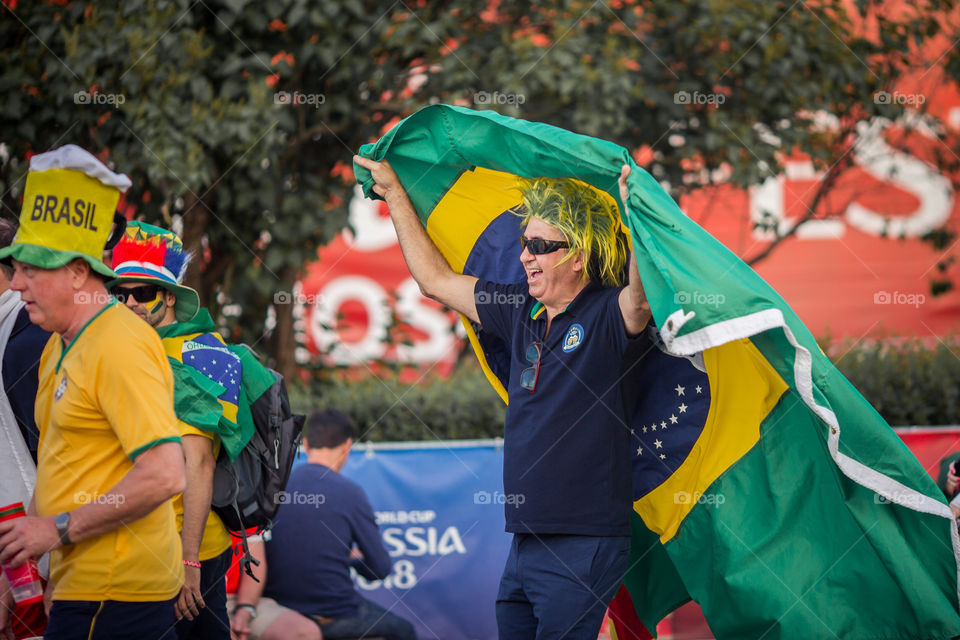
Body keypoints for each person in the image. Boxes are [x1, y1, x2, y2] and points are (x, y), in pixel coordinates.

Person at [354, 154, 651, 639]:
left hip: (585, 541)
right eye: (523, 243)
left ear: (577, 256)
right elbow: (435, 281)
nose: (525, 255)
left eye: (540, 245)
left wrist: (637, 212)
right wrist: (394, 194)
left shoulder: (607, 314)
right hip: (526, 541)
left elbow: (640, 299)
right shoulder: (518, 309)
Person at [0, 145, 186, 639]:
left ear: (79, 272)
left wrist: (56, 530)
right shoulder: (57, 346)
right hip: (86, 587)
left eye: (31, 269)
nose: (16, 283)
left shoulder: (120, 342)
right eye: (16, 267)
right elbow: (61, 462)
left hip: (118, 593)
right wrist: (23, 552)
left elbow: (166, 473)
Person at [107, 221, 238, 640]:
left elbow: (198, 463)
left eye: (142, 293)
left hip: (191, 547)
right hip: (137, 545)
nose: (130, 303)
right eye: (120, 293)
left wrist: (189, 562)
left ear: (168, 296)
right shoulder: (126, 348)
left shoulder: (203, 352)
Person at [264, 409, 416, 640]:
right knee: (404, 631)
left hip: (278, 613)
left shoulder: (275, 489)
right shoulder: (350, 492)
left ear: (305, 443)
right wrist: (353, 558)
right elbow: (380, 569)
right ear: (347, 446)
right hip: (336, 613)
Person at [0, 217, 51, 639]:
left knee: (29, 632)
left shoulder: (29, 337)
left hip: (28, 540)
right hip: (18, 537)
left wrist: (18, 565)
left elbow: (52, 458)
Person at [227, 533, 321, 640]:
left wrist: (244, 611)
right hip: (206, 602)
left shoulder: (244, 517)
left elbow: (254, 565)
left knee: (306, 632)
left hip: (238, 598)